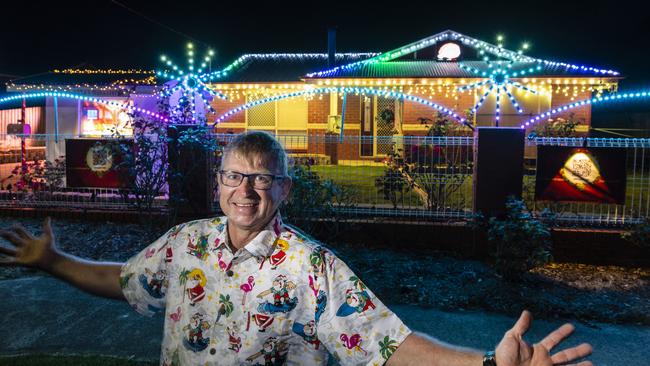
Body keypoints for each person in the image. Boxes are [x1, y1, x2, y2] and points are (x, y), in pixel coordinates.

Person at [0, 131, 593, 366]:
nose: (246, 189)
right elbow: (126, 281)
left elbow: (390, 343)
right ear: (219, 181)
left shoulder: (311, 268)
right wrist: (53, 262)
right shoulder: (186, 243)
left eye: (262, 178)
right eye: (235, 175)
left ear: (282, 188)